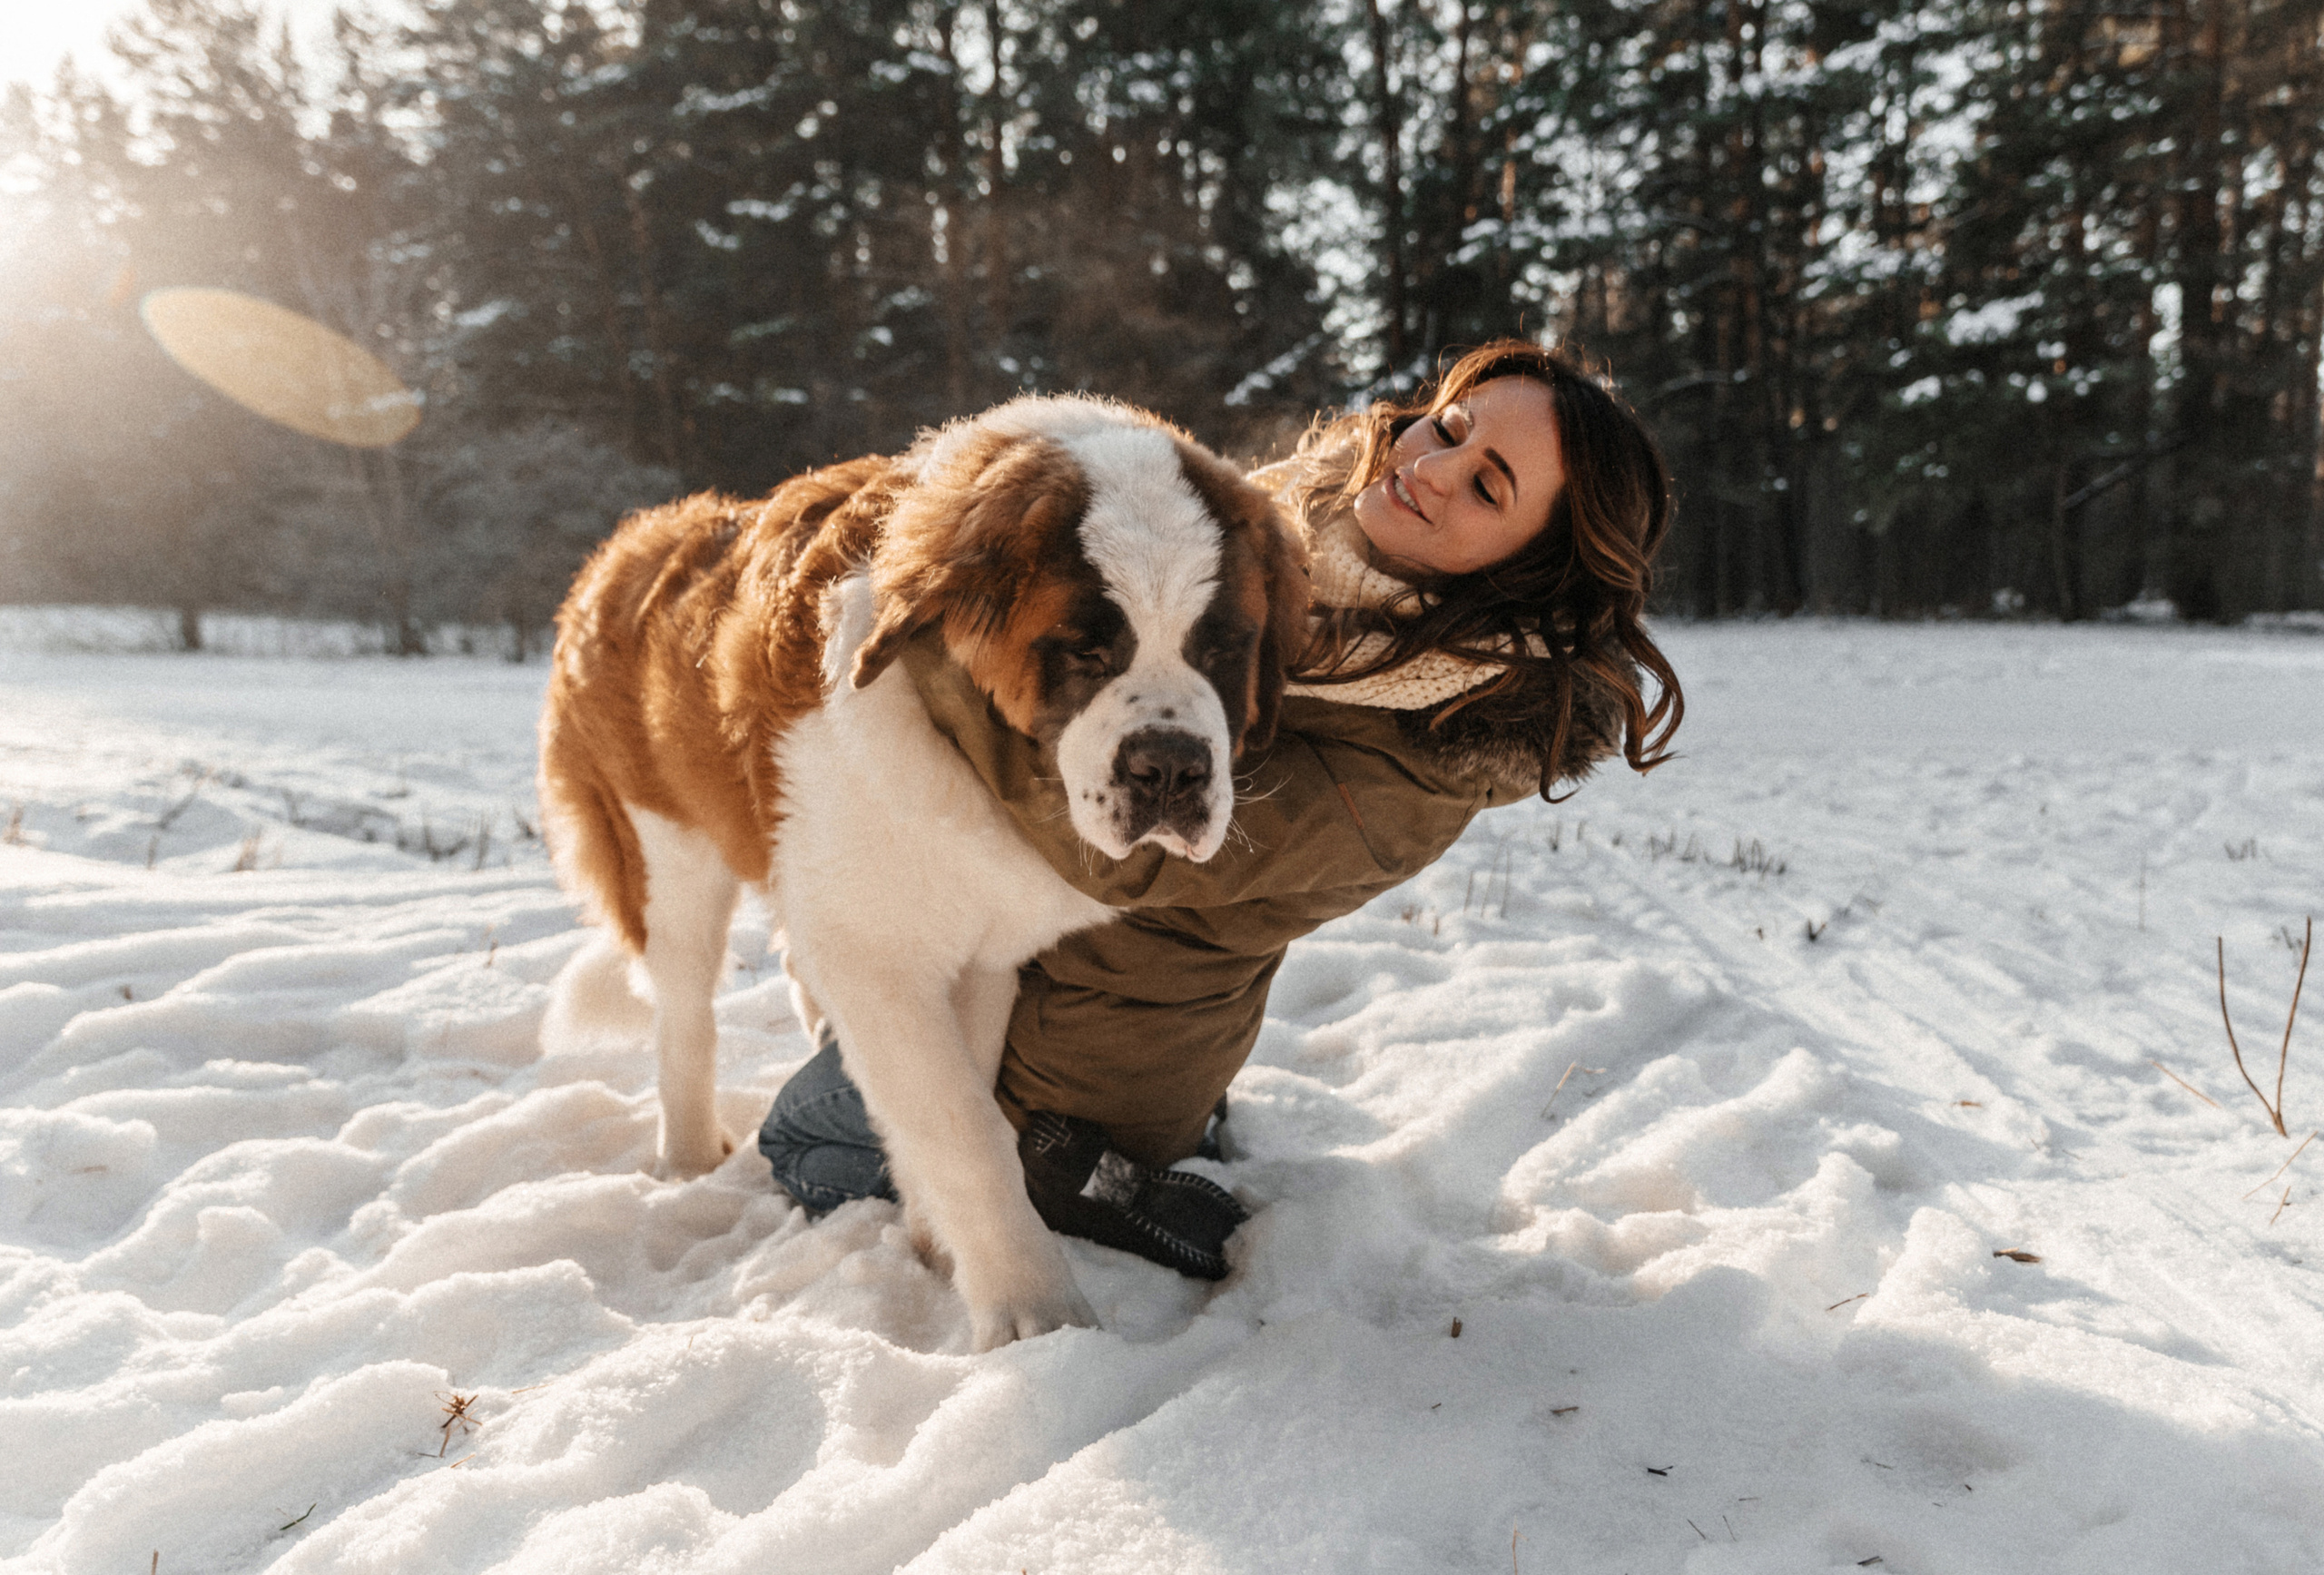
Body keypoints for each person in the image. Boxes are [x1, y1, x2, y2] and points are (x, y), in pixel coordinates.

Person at [759, 338, 1684, 1278]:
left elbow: (1127, 853)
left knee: (802, 1138)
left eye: (1489, 487)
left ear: (1534, 566)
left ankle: (1093, 1175)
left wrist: (917, 629)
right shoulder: (1291, 538)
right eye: (1447, 429)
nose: (1431, 470)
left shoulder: (1436, 747)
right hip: (1033, 953)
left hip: (1076, 1050)